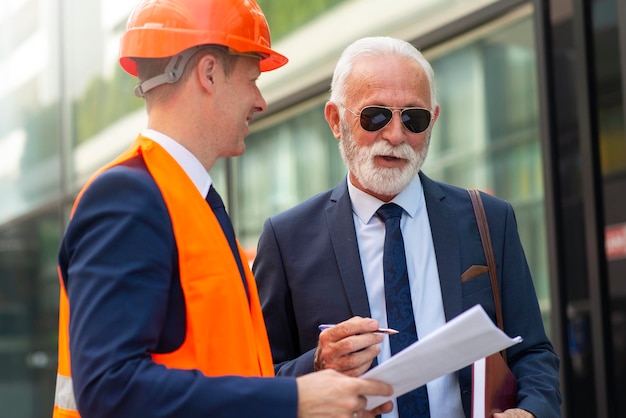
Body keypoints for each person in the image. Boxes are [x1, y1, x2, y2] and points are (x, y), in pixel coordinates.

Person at [51, 2, 394, 417]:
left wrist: (318, 381)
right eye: (252, 79)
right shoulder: (128, 198)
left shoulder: (188, 202)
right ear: (209, 73)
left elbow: (230, 376)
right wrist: (296, 401)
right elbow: (111, 389)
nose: (260, 101)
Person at [253, 36, 562, 418]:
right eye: (375, 116)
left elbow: (532, 352)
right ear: (336, 121)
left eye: (413, 119)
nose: (396, 135)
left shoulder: (489, 219)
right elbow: (258, 379)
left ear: (433, 121)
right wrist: (317, 365)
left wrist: (530, 412)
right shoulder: (287, 240)